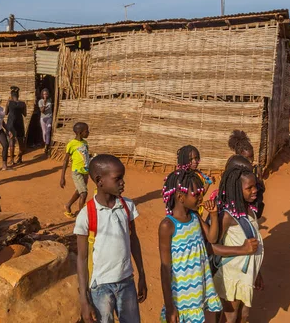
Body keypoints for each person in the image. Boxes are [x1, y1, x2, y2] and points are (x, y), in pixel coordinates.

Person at [74, 154, 147, 323]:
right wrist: (84, 300)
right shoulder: (86, 215)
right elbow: (82, 258)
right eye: (117, 178)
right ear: (100, 180)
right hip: (100, 287)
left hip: (127, 282)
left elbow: (133, 240)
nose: (123, 183)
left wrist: (142, 274)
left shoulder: (127, 206)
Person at [158, 168, 222, 323]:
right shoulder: (168, 225)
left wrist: (213, 215)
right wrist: (170, 306)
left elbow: (212, 238)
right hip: (181, 297)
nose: (201, 197)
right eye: (196, 194)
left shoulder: (195, 217)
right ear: (180, 197)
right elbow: (165, 268)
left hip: (199, 289)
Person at [212, 166, 263, 323]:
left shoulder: (250, 211)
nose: (254, 190)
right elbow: (212, 247)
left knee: (244, 315)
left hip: (246, 275)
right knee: (230, 317)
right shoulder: (227, 216)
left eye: (255, 186)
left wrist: (257, 273)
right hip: (232, 276)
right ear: (236, 190)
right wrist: (242, 249)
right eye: (249, 188)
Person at [228, 130, 265, 218]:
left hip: (250, 208)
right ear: (239, 156)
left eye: (252, 156)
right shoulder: (233, 171)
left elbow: (260, 191)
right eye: (247, 157)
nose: (251, 160)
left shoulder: (253, 171)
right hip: (237, 209)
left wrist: (259, 178)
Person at [60, 122, 91, 218]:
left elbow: (85, 156)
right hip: (77, 172)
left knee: (79, 190)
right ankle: (82, 218)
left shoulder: (85, 143)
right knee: (84, 193)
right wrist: (62, 177)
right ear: (80, 132)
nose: (88, 132)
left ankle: (68, 205)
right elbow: (65, 161)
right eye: (87, 131)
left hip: (85, 171)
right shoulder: (71, 144)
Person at [5, 86, 27, 166]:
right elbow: (25, 114)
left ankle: (11, 160)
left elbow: (6, 113)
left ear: (11, 95)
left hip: (11, 124)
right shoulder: (23, 103)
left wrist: (8, 103)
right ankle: (20, 158)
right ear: (18, 95)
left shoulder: (9, 103)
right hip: (19, 123)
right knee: (21, 142)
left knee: (11, 142)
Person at [38, 88, 53, 155]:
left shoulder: (50, 100)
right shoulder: (40, 101)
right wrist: (44, 103)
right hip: (43, 118)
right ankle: (45, 144)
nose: (45, 95)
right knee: (44, 132)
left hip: (49, 117)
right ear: (42, 95)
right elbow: (42, 111)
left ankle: (47, 145)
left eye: (46, 94)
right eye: (44, 94)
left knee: (48, 130)